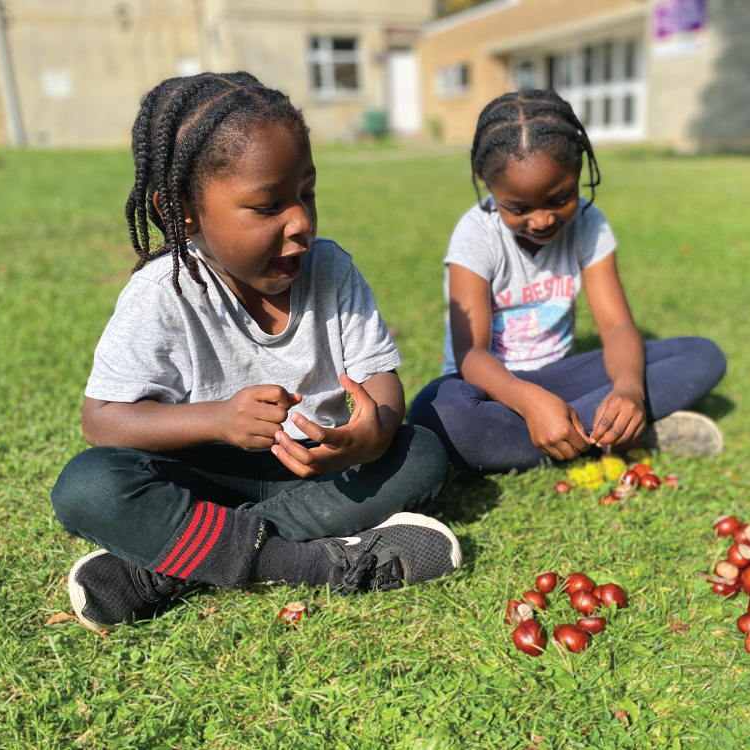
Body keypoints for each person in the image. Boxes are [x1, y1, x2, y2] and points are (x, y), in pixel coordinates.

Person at [50, 72, 461, 633]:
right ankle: (313, 564)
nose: (301, 223)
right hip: (205, 476)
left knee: (421, 454)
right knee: (89, 485)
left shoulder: (332, 270)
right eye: (268, 207)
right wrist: (218, 419)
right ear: (181, 212)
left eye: (307, 193)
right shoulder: (162, 294)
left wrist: (373, 433)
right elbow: (101, 422)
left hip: (315, 471)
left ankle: (169, 567)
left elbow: (380, 381)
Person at [409, 89, 727, 473]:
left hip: (562, 379)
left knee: (702, 355)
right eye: (519, 208)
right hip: (493, 390)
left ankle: (590, 426)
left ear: (579, 171)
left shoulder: (590, 224)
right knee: (437, 411)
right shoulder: (476, 234)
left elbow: (618, 326)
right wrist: (529, 402)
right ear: (486, 185)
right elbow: (471, 354)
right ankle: (606, 432)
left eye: (560, 199)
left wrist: (629, 391)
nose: (542, 220)